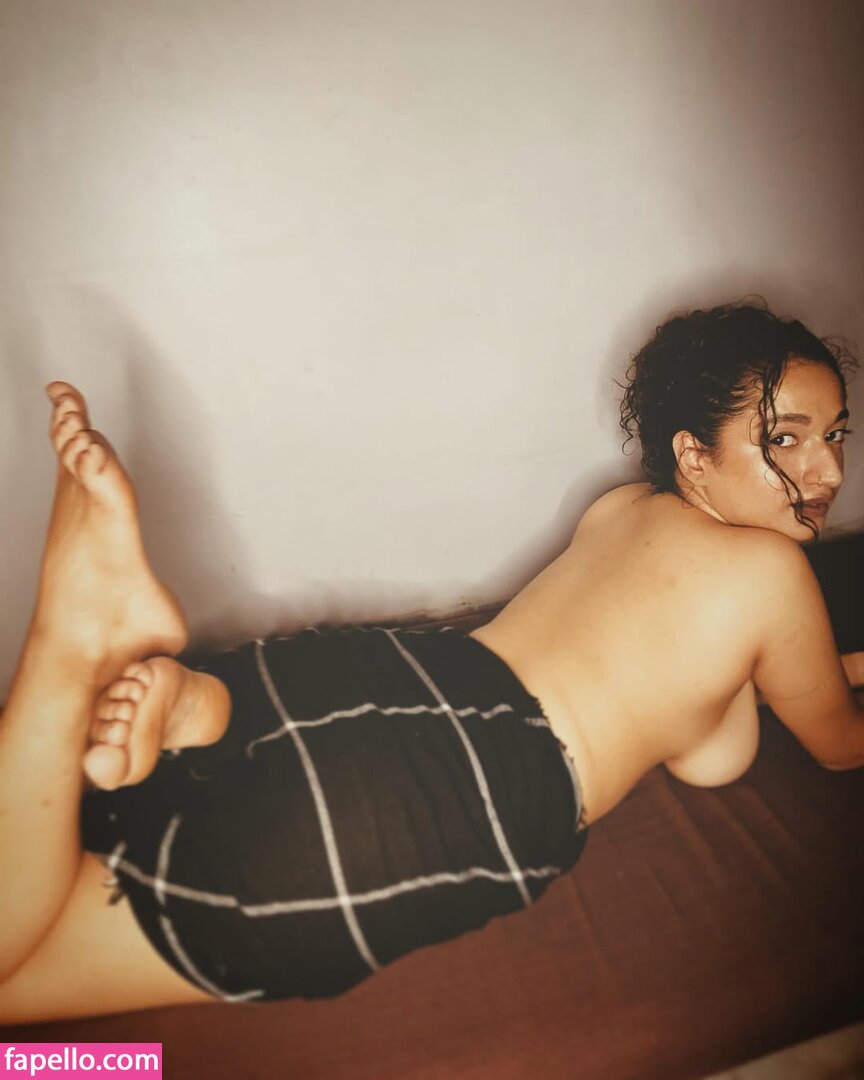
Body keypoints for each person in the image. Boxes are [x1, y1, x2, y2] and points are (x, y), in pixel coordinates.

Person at [0, 301, 862, 1023]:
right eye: (785, 440)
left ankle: (170, 701)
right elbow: (838, 745)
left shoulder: (624, 511)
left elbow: (714, 731)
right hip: (450, 801)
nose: (826, 468)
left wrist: (826, 668)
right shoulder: (772, 574)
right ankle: (61, 656)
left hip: (374, 685)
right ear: (694, 453)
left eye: (835, 434)